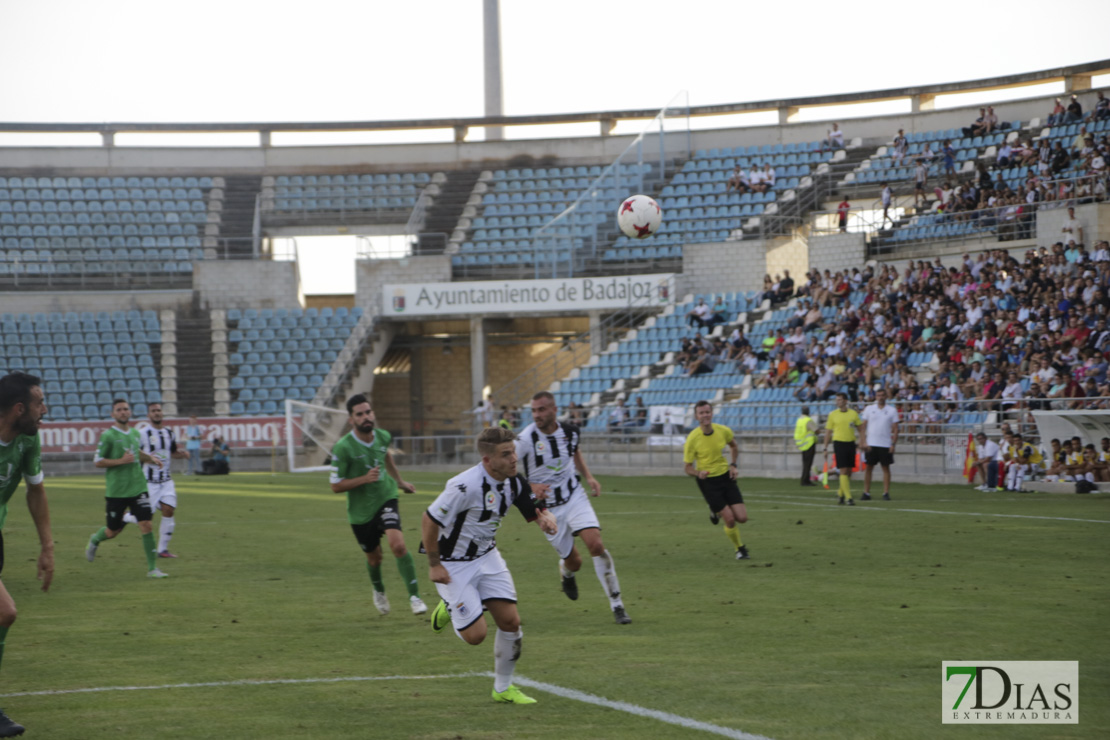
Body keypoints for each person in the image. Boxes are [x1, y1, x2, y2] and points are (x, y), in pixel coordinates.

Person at [422, 426, 558, 705]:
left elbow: (530, 503)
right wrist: (435, 565)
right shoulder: (463, 486)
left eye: (514, 453)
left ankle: (503, 688)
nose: (513, 459)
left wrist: (544, 517)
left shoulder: (514, 481)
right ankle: (448, 606)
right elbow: (429, 521)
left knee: (511, 622)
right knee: (476, 636)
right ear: (487, 460)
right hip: (454, 564)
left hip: (487, 556)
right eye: (506, 454)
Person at [516, 392, 631, 624]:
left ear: (554, 409)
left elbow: (574, 452)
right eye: (534, 411)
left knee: (596, 544)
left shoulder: (570, 432)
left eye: (541, 410)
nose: (536, 415)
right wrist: (530, 486)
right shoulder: (525, 439)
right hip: (548, 510)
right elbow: (506, 468)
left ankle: (617, 604)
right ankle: (567, 572)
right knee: (575, 562)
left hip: (573, 497)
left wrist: (589, 476)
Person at [329, 394, 426, 616]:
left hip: (386, 496)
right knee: (375, 558)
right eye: (360, 414)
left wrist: (399, 482)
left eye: (368, 412)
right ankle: (379, 590)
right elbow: (335, 485)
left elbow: (387, 458)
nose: (366, 417)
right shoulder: (343, 448)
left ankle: (415, 597)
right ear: (351, 419)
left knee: (398, 545)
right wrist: (364, 479)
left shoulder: (383, 436)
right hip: (360, 512)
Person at [0, 372, 54, 739]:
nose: (44, 411)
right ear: (19, 409)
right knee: (5, 611)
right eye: (39, 405)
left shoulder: (26, 442)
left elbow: (36, 491)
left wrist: (47, 545)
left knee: (4, 613)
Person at [85, 399, 169, 578]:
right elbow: (98, 461)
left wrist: (151, 458)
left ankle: (153, 569)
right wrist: (120, 461)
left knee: (146, 524)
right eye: (119, 410)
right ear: (113, 414)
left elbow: (136, 453)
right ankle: (95, 539)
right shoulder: (108, 436)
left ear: (130, 412)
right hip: (117, 491)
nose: (123, 412)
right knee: (113, 531)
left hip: (138, 487)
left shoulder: (134, 434)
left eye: (126, 409)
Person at [683, 400, 750, 559]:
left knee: (742, 518)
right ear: (696, 416)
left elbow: (733, 446)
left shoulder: (723, 431)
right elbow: (687, 468)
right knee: (730, 519)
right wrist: (698, 473)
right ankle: (739, 549)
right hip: (708, 482)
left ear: (712, 413)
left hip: (725, 477)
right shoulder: (693, 438)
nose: (705, 415)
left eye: (707, 412)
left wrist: (733, 465)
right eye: (701, 413)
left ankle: (715, 511)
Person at [124, 402, 190, 559]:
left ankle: (163, 550)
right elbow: (133, 453)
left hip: (166, 481)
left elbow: (171, 452)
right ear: (148, 415)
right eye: (153, 411)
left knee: (169, 510)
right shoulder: (142, 434)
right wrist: (148, 459)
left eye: (159, 410)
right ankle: (125, 516)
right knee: (145, 518)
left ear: (162, 413)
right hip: (148, 482)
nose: (156, 413)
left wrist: (182, 454)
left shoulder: (169, 433)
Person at [859, 388, 899, 501]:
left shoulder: (891, 410)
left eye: (882, 395)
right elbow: (863, 426)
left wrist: (893, 444)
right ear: (876, 396)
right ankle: (866, 492)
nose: (880, 397)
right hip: (871, 443)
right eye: (878, 395)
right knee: (869, 468)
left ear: (886, 396)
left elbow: (896, 429)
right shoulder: (869, 408)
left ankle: (886, 492)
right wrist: (863, 441)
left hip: (885, 444)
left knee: (885, 468)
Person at [823, 392, 862, 505]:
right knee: (843, 470)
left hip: (850, 443)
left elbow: (860, 428)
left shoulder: (853, 414)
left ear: (845, 401)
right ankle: (848, 498)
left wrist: (862, 441)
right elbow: (828, 432)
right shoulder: (832, 414)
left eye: (839, 399)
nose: (837, 402)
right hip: (839, 443)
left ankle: (840, 494)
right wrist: (825, 447)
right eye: (837, 399)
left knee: (849, 471)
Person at [794, 405, 818, 486]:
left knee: (805, 463)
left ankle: (805, 479)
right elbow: (816, 430)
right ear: (808, 411)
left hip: (802, 444)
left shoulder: (799, 420)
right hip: (809, 444)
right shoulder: (808, 420)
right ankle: (805, 481)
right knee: (808, 463)